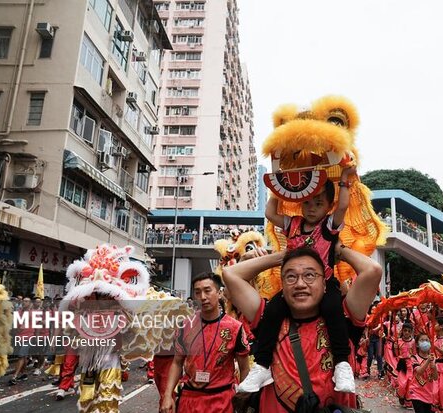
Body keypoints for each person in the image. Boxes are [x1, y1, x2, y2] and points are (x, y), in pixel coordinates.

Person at [223, 244, 382, 412]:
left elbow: (373, 270)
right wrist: (280, 257)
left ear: (324, 283)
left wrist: (338, 250)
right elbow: (231, 274)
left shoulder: (343, 318)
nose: (300, 284)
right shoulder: (268, 319)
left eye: (309, 275)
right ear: (282, 285)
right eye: (291, 277)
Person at [240, 167, 356, 393]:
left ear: (328, 206)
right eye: (308, 202)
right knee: (273, 311)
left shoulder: (328, 227)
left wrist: (344, 180)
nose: (312, 208)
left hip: (324, 284)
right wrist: (278, 185)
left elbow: (343, 206)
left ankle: (342, 364)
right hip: (293, 287)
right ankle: (262, 365)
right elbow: (270, 213)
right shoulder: (292, 224)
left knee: (333, 309)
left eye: (319, 203)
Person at [160, 273, 250, 413]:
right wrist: (167, 395)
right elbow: (177, 362)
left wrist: (243, 397)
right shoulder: (185, 326)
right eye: (197, 292)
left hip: (222, 401)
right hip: (189, 401)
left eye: (207, 291)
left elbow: (244, 367)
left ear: (219, 293)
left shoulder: (234, 328)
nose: (202, 297)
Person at [407, 332, 437, 413]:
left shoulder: (433, 358)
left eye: (427, 340)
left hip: (429, 393)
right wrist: (428, 361)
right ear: (417, 344)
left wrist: (434, 368)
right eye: (422, 340)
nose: (425, 342)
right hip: (416, 392)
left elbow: (435, 377)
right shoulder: (414, 358)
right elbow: (419, 371)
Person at [394, 322, 415, 409]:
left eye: (409, 331)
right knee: (402, 383)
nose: (406, 332)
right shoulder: (398, 341)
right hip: (402, 365)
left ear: (411, 332)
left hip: (410, 365)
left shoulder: (413, 342)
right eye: (405, 330)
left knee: (410, 383)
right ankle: (401, 396)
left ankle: (408, 402)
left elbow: (414, 353)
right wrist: (395, 347)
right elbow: (396, 354)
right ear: (402, 331)